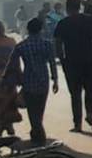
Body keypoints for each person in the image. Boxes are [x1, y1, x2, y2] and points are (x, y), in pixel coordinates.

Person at [6, 17, 58, 146]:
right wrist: (55, 80)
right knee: (40, 109)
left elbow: (11, 64)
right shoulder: (47, 44)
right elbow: (52, 63)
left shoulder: (21, 46)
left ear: (28, 30)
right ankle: (37, 133)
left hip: (28, 81)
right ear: (40, 29)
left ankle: (38, 134)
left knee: (32, 111)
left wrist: (8, 78)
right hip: (43, 81)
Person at [54, 0, 92, 133]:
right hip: (89, 60)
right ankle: (90, 114)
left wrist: (62, 59)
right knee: (90, 90)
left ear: (67, 8)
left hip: (71, 63)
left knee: (75, 94)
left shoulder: (63, 23)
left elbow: (57, 43)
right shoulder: (89, 20)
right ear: (79, 7)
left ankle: (77, 124)